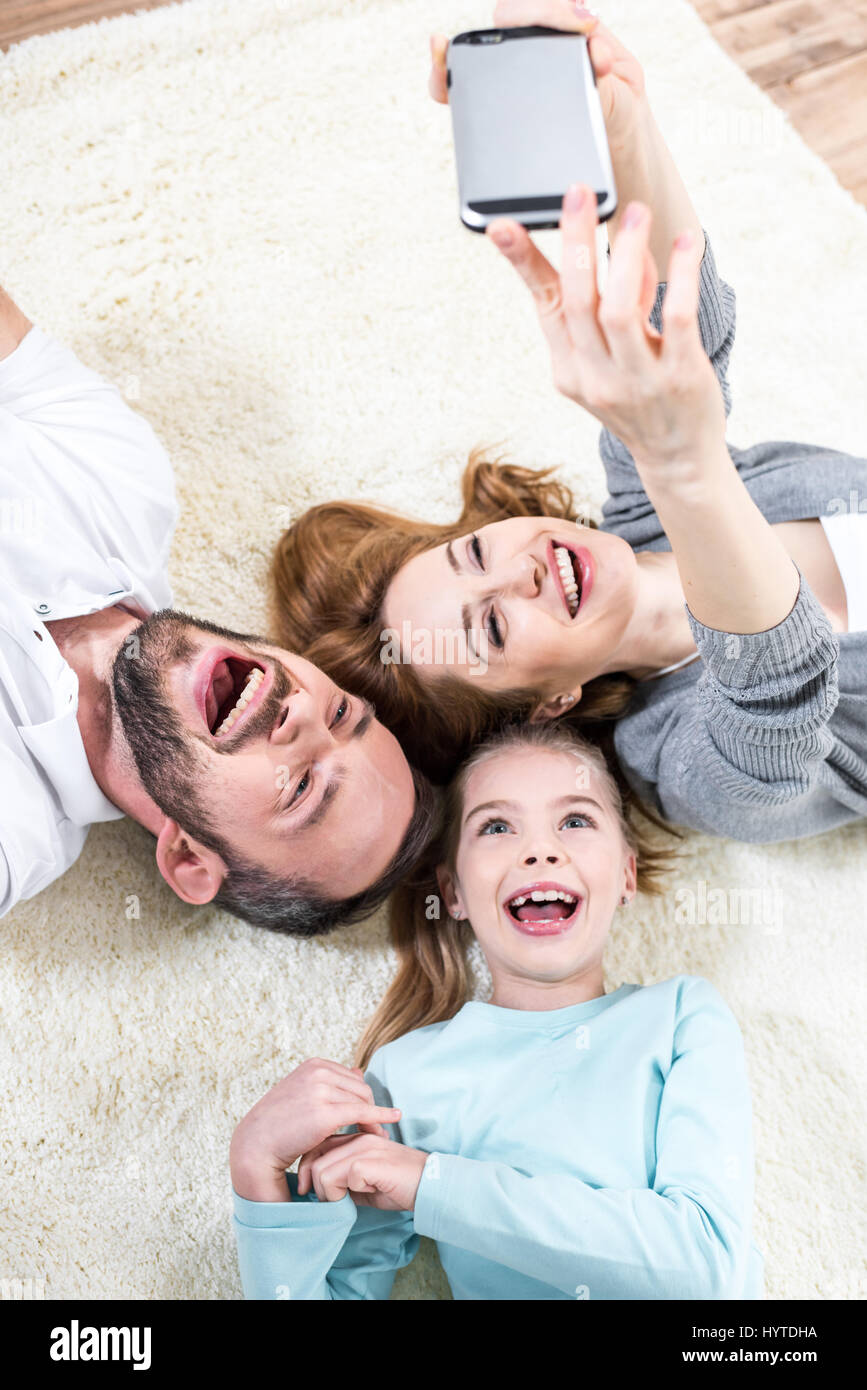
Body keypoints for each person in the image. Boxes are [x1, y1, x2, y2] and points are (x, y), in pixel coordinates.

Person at [271, 6, 867, 843]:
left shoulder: (639, 507)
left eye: (476, 551)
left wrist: (623, 120)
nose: (520, 575)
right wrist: (682, 459)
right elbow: (775, 689)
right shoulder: (681, 765)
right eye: (491, 625)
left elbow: (681, 315)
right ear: (552, 703)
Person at [229, 722, 763, 1299]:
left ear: (626, 874)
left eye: (576, 820)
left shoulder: (681, 1018)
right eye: (497, 826)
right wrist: (255, 1172)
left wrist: (430, 1185)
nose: (539, 850)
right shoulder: (406, 1076)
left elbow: (710, 1274)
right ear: (453, 890)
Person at [0, 285, 435, 932]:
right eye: (342, 712)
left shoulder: (12, 837)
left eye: (302, 788)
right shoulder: (127, 485)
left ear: (191, 860)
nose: (304, 713)